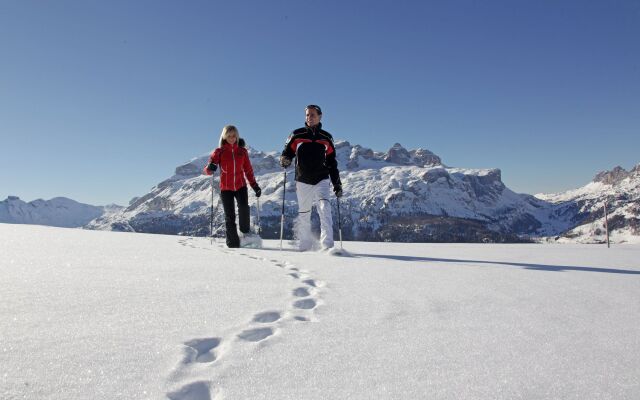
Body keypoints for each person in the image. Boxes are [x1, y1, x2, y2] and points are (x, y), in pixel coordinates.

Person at [280, 105, 342, 251]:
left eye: (313, 115)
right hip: (303, 179)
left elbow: (332, 163)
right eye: (307, 115)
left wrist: (337, 184)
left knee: (325, 208)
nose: (310, 117)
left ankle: (328, 246)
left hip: (322, 178)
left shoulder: (326, 138)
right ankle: (304, 246)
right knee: (304, 213)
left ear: (320, 117)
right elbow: (287, 152)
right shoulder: (297, 135)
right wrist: (285, 159)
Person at [204, 125, 261, 248]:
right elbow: (208, 170)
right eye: (229, 136)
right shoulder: (219, 152)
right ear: (224, 136)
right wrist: (210, 168)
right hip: (226, 189)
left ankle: (245, 232)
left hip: (240, 186)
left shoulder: (242, 152)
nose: (231, 138)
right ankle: (233, 244)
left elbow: (248, 171)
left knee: (244, 209)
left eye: (234, 136)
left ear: (237, 136)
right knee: (229, 217)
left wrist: (255, 186)